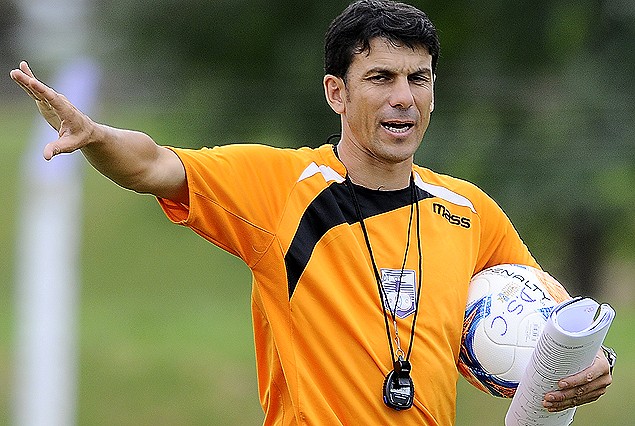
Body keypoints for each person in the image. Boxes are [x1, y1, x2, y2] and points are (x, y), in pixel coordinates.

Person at [11, 0, 613, 424]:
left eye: (419, 78)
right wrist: (95, 136)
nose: (405, 97)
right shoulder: (281, 188)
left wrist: (596, 364)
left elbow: (555, 320)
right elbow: (155, 166)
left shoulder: (469, 210)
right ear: (336, 92)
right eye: (381, 77)